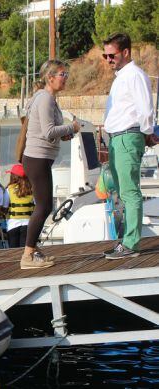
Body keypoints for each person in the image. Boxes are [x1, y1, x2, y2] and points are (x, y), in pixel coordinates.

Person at [21, 59, 80, 269]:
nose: (66, 79)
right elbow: (48, 132)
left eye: (67, 75)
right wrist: (71, 127)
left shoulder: (48, 98)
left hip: (40, 158)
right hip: (37, 158)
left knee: (44, 205)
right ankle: (27, 255)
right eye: (63, 75)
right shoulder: (45, 99)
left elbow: (49, 131)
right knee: (44, 206)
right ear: (50, 77)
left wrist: (64, 133)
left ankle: (32, 251)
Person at [102, 33, 156, 259]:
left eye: (111, 55)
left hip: (127, 136)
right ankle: (127, 240)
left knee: (130, 191)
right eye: (105, 55)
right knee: (123, 191)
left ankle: (131, 243)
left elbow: (146, 108)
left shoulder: (134, 75)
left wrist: (147, 133)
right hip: (118, 138)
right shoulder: (122, 76)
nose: (108, 59)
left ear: (125, 52)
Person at [6, 164, 34, 249]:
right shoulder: (32, 189)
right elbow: (36, 206)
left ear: (13, 176)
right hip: (28, 224)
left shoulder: (9, 190)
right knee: (25, 250)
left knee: (14, 251)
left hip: (13, 224)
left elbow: (5, 205)